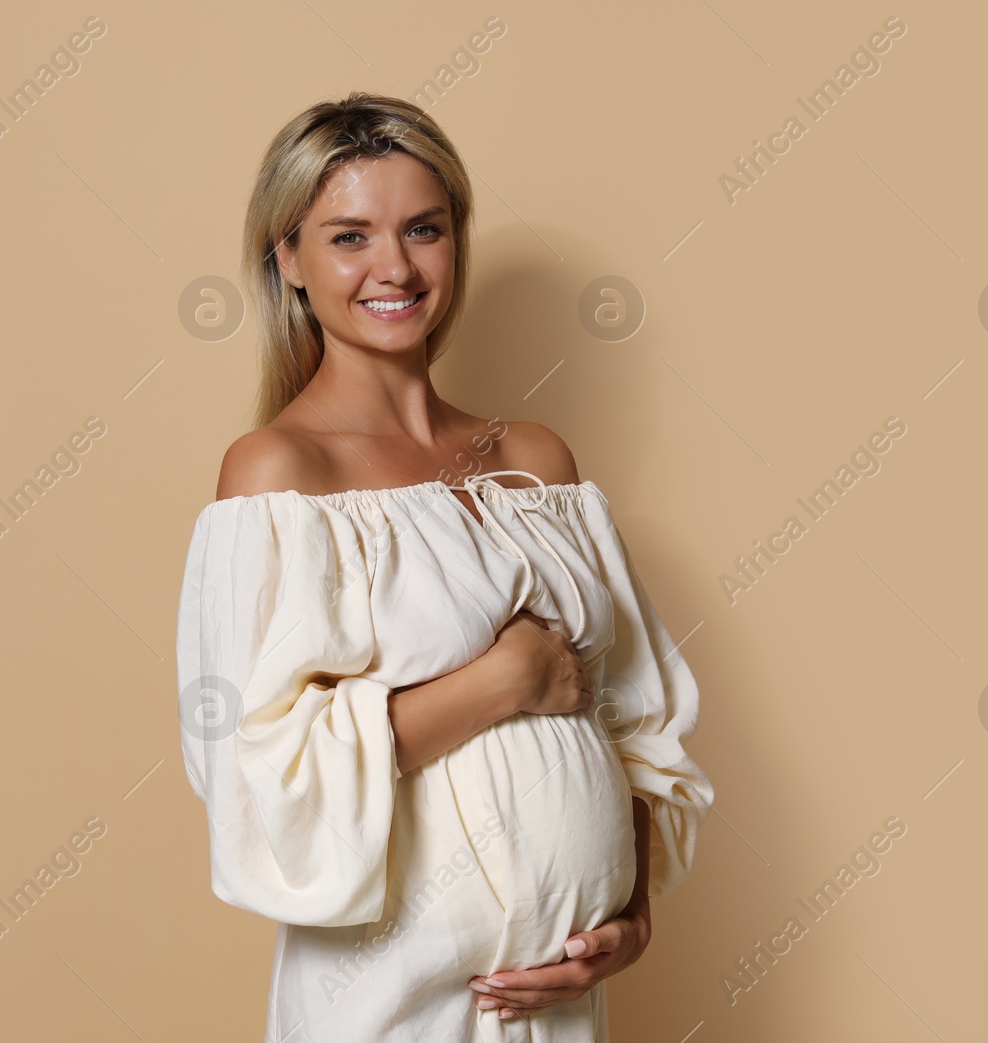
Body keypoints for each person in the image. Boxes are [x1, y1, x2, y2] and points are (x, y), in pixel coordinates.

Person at [175, 92, 713, 1042]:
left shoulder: (537, 465)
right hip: (386, 995)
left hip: (557, 996)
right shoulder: (277, 475)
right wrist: (504, 680)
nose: (395, 267)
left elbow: (630, 716)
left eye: (424, 229)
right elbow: (256, 780)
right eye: (350, 236)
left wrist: (628, 921)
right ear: (287, 258)